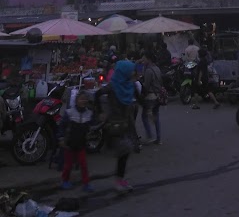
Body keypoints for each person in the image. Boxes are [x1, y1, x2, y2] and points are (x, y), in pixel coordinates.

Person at [96, 59, 138, 192]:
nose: (132, 73)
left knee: (125, 152)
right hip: (114, 123)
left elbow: (139, 97)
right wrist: (101, 112)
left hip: (126, 123)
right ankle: (118, 181)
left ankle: (120, 179)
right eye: (130, 70)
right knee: (124, 150)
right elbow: (97, 94)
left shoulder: (129, 85)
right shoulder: (113, 86)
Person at [59, 91, 94, 192]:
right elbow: (61, 126)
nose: (83, 101)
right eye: (81, 99)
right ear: (76, 101)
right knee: (68, 165)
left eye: (85, 99)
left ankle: (86, 183)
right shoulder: (69, 113)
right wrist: (61, 138)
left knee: (83, 165)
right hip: (69, 143)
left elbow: (93, 125)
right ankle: (65, 181)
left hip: (81, 143)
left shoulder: (89, 113)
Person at [141, 52, 163, 145]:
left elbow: (146, 85)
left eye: (144, 59)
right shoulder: (157, 68)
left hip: (150, 96)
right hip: (158, 95)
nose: (143, 60)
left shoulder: (149, 71)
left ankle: (150, 135)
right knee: (156, 115)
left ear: (149, 59)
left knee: (144, 116)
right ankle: (158, 138)